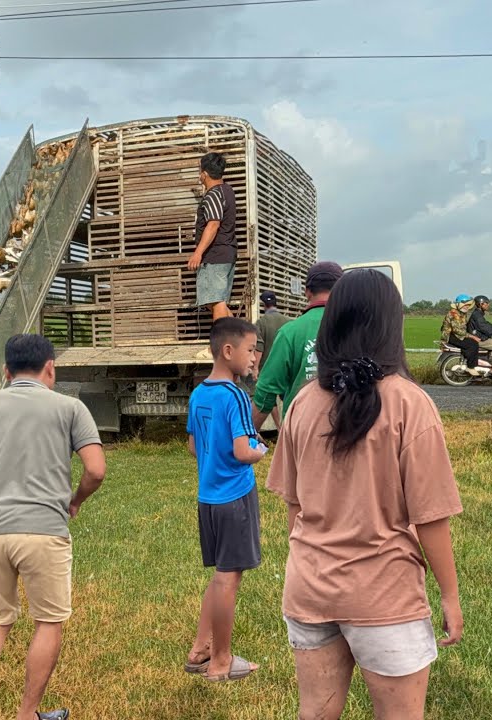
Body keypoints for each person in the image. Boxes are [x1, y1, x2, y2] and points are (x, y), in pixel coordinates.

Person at [266, 268, 463, 720]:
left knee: (314, 713)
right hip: (385, 594)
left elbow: (293, 506)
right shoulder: (410, 404)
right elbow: (431, 516)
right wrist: (449, 597)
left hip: (310, 588)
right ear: (389, 325)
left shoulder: (301, 404)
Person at [0, 333, 105, 720]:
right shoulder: (69, 407)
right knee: (48, 621)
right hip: (42, 530)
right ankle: (27, 715)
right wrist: (75, 500)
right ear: (51, 369)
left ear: (6, 371)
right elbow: (95, 470)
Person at [184, 318, 267, 683]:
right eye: (250, 350)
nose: (254, 359)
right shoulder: (235, 395)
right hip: (235, 497)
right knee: (228, 580)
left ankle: (200, 648)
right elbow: (242, 450)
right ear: (229, 351)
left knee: (221, 576)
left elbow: (191, 446)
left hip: (208, 499)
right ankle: (220, 661)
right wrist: (261, 450)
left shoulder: (198, 393)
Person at [251, 261, 343, 430]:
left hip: (300, 430)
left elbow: (266, 392)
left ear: (307, 292)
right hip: (347, 430)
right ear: (342, 291)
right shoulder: (357, 328)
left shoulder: (290, 332)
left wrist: (247, 436)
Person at [188, 152, 238, 323]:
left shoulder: (213, 195)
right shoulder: (228, 191)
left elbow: (213, 224)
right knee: (217, 302)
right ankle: (241, 335)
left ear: (205, 173)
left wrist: (198, 253)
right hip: (227, 253)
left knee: (216, 302)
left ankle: (219, 346)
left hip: (216, 256)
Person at [253, 290, 290, 429]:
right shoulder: (287, 321)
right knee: (287, 396)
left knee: (270, 399)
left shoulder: (261, 323)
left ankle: (280, 428)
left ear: (264, 305)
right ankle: (287, 426)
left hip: (268, 367)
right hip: (286, 367)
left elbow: (259, 346)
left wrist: (255, 368)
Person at [440, 295, 482, 374]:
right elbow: (457, 330)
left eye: (468, 305)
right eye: (465, 305)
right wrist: (472, 336)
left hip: (458, 335)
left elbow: (464, 327)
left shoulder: (462, 313)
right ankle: (470, 367)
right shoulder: (453, 313)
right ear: (459, 305)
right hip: (451, 335)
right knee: (473, 344)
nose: (467, 307)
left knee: (472, 342)